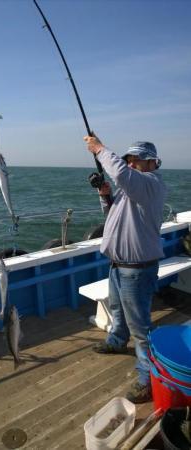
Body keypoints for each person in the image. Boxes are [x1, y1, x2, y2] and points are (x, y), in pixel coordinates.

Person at [84, 135, 167, 403]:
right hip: (118, 265)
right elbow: (112, 216)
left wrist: (99, 149)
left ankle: (148, 378)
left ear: (153, 163)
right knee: (118, 310)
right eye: (129, 159)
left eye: (137, 159)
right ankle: (116, 340)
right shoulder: (132, 189)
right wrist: (105, 196)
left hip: (137, 269)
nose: (131, 163)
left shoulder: (152, 184)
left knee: (140, 326)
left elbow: (119, 172)